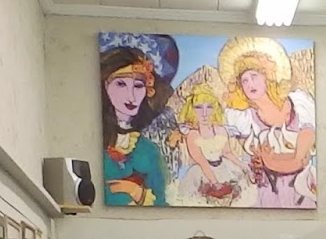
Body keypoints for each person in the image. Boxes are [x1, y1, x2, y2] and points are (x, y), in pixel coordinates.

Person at [219, 36, 316, 208]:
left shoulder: (300, 104)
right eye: (244, 80)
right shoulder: (244, 119)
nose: (250, 84)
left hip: (302, 190)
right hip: (269, 193)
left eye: (254, 76)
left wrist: (275, 160)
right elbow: (260, 161)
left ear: (267, 76)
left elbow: (301, 158)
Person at [100, 43, 173, 207]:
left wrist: (136, 192)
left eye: (138, 86)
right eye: (121, 84)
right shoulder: (94, 140)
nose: (131, 96)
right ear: (105, 86)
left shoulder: (149, 150)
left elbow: (161, 203)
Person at [173, 87, 254, 206]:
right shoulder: (192, 135)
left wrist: (245, 167)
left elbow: (227, 153)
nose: (204, 113)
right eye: (198, 108)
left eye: (209, 107)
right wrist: (215, 182)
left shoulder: (221, 130)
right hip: (202, 172)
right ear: (191, 110)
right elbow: (201, 161)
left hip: (224, 167)